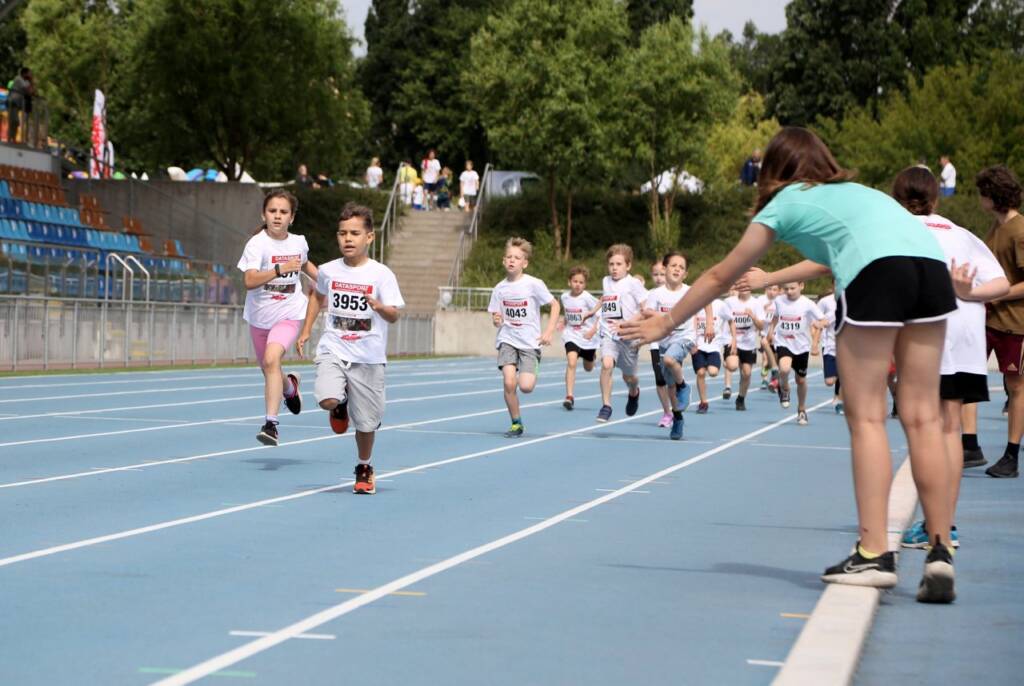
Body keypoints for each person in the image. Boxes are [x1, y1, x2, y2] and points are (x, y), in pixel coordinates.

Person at [619, 127, 958, 603]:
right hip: (931, 267)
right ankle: (941, 550)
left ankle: (873, 553)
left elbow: (720, 276)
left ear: (774, 169)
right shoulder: (858, 193)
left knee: (867, 418)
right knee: (923, 417)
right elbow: (833, 260)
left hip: (878, 272)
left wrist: (665, 322)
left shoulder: (786, 201)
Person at [891, 166, 1009, 549]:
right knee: (950, 430)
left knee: (925, 430)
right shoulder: (961, 233)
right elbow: (1002, 283)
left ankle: (934, 527)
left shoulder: (896, 231)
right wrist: (969, 293)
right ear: (936, 199)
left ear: (897, 198)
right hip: (966, 337)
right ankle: (945, 525)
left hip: (926, 336)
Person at [296, 203, 404, 496]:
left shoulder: (381, 275)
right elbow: (317, 296)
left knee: (366, 424)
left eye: (355, 233)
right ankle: (339, 402)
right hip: (334, 347)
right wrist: (306, 330)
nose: (348, 238)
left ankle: (364, 466)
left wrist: (380, 307)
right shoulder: (329, 270)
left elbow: (394, 314)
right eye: (342, 233)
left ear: (369, 237)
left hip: (368, 357)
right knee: (327, 398)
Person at [237, 190, 318, 447]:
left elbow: (305, 265)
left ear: (291, 218)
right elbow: (249, 280)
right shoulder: (256, 244)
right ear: (264, 214)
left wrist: (328, 282)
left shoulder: (298, 243)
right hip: (259, 317)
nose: (277, 216)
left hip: (289, 313)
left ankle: (270, 425)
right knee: (269, 368)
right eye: (272, 211)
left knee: (272, 359)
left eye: (283, 212)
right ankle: (290, 387)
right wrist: (278, 269)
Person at [961, 165, 1024, 478]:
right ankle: (970, 446)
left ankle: (1011, 456)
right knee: (967, 377)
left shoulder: (1020, 231)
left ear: (992, 195)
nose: (979, 198)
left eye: (981, 192)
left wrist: (996, 295)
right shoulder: (995, 228)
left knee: (1016, 387)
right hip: (986, 319)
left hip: (1014, 323)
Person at [488, 237, 560, 437]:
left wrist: (549, 331)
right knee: (509, 382)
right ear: (504, 261)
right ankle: (516, 423)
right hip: (507, 340)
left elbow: (555, 305)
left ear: (524, 263)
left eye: (517, 258)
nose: (512, 260)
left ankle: (530, 369)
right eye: (509, 257)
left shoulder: (533, 284)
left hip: (529, 343)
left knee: (526, 386)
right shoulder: (499, 288)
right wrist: (496, 319)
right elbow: (496, 317)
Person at [645, 252, 703, 439]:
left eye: (681, 267)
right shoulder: (656, 294)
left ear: (685, 274)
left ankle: (684, 386)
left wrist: (709, 324)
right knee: (670, 387)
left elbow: (707, 302)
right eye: (673, 265)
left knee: (670, 360)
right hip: (664, 341)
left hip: (684, 337)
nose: (677, 269)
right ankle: (677, 418)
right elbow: (647, 313)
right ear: (665, 269)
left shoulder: (689, 291)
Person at [597, 244, 647, 422]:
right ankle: (606, 406)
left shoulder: (634, 284)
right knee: (607, 364)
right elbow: (605, 300)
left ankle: (634, 392)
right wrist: (593, 313)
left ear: (628, 266)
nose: (614, 268)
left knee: (629, 377)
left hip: (629, 335)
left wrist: (627, 323)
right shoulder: (605, 281)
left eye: (619, 264)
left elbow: (645, 309)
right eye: (611, 264)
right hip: (609, 332)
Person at [766, 282, 826, 425]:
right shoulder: (779, 301)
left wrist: (820, 324)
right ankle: (785, 389)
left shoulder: (808, 303)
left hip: (801, 346)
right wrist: (770, 331)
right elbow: (775, 317)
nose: (789, 291)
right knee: (784, 368)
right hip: (783, 342)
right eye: (786, 289)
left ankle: (801, 409)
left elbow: (824, 320)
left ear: (801, 286)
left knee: (801, 380)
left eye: (792, 288)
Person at [559, 266, 600, 410]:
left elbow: (600, 314)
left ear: (585, 284)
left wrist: (593, 331)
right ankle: (569, 396)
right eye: (575, 281)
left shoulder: (587, 298)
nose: (578, 285)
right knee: (571, 362)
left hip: (587, 337)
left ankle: (591, 357)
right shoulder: (564, 297)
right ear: (569, 282)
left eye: (581, 282)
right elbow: (568, 313)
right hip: (571, 335)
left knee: (588, 368)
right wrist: (563, 322)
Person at [724, 283, 766, 411]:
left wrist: (752, 316)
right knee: (732, 366)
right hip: (732, 341)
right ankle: (728, 367)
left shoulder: (756, 303)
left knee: (747, 373)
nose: (744, 289)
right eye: (741, 287)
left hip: (748, 344)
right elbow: (721, 320)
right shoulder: (729, 302)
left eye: (747, 287)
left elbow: (761, 326)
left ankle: (741, 399)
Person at [691, 298, 735, 413]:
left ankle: (712, 363)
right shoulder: (696, 302)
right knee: (700, 373)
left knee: (713, 372)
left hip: (714, 346)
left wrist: (734, 339)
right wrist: (692, 341)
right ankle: (703, 402)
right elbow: (691, 321)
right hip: (698, 345)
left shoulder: (720, 305)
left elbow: (731, 320)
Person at [648, 260, 675, 427]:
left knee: (672, 380)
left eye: (662, 274)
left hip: (674, 342)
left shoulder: (676, 294)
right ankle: (667, 412)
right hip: (655, 343)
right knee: (659, 379)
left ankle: (676, 409)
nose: (659, 278)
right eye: (655, 274)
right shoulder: (650, 295)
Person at [815, 286, 842, 412]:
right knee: (829, 381)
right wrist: (814, 342)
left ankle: (840, 399)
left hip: (847, 347)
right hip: (830, 346)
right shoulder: (829, 306)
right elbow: (819, 323)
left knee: (845, 374)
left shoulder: (854, 304)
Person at [758, 285, 781, 389]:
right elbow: (758, 316)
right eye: (770, 289)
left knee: (775, 358)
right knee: (765, 356)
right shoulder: (761, 300)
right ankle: (764, 379)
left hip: (777, 332)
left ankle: (772, 374)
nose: (772, 292)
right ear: (765, 290)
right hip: (765, 331)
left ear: (779, 291)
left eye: (774, 290)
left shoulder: (781, 301)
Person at [7, 67, 33, 144]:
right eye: (29, 73)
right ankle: (10, 138)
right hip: (13, 101)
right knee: (14, 120)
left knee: (15, 122)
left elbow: (30, 92)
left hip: (18, 103)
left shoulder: (26, 81)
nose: (30, 75)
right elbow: (26, 88)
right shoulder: (18, 79)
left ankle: (12, 138)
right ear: (24, 73)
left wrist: (31, 83)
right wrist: (31, 81)